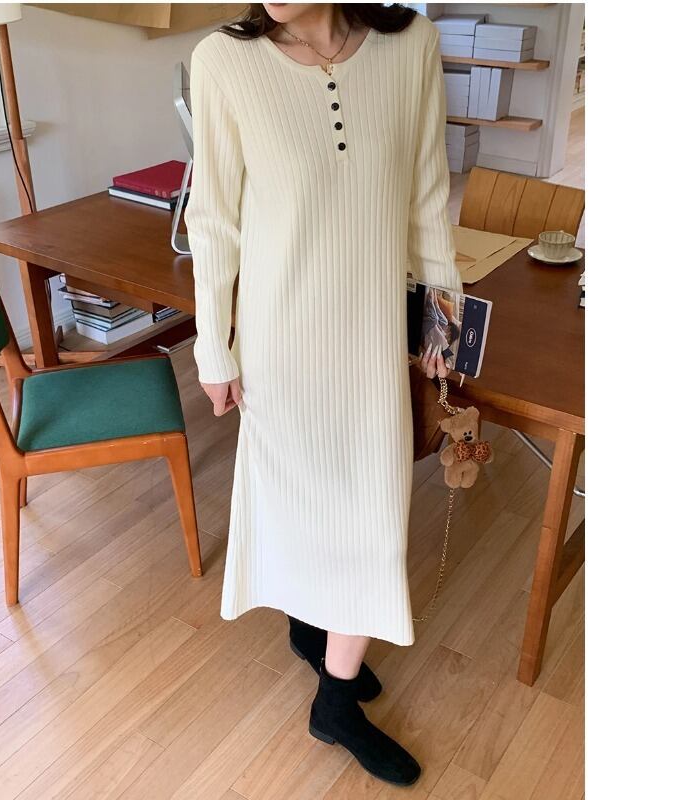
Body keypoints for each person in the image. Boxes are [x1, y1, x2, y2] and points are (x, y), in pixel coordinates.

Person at [184, 2, 462, 787]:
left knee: (373, 516)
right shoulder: (223, 62)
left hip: (369, 339)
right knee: (299, 501)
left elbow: (428, 195)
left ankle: (332, 702)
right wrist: (214, 346)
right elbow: (215, 222)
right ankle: (318, 634)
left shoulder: (410, 47)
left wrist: (445, 327)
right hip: (278, 341)